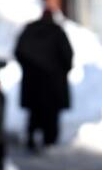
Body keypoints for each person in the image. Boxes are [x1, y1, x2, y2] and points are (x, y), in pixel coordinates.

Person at [15, 9, 73, 152]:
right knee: (51, 114)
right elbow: (67, 55)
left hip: (33, 81)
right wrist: (61, 70)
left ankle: (31, 137)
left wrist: (28, 68)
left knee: (34, 112)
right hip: (53, 82)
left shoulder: (29, 31)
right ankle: (49, 141)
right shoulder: (57, 32)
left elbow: (19, 52)